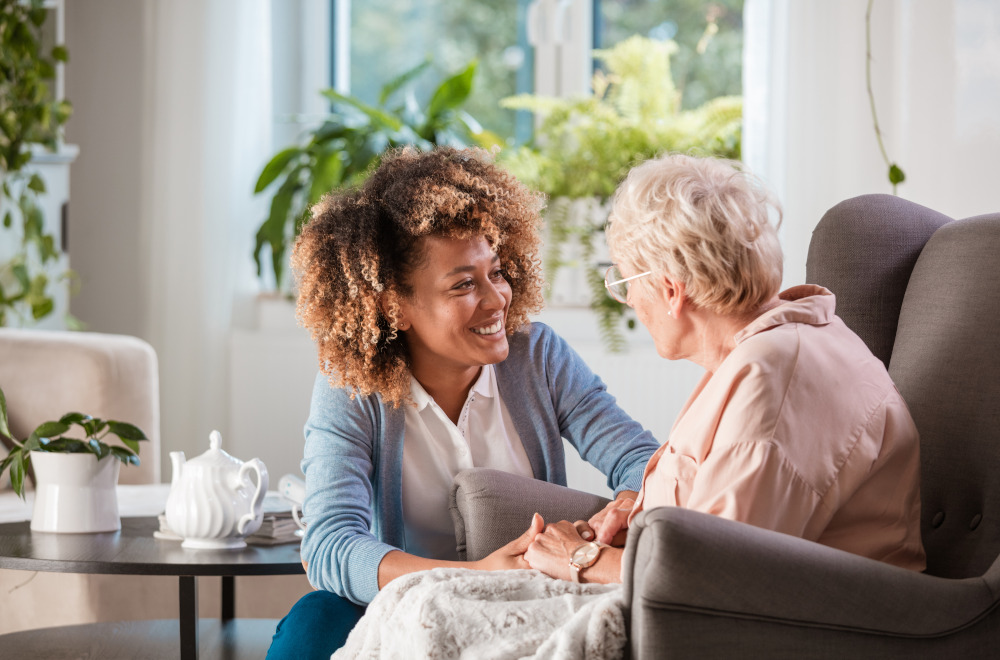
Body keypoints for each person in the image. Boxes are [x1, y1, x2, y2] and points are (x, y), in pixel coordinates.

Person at [266, 146, 660, 659]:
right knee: (314, 623)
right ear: (394, 306)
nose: (497, 299)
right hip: (400, 606)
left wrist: (626, 506)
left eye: (496, 272)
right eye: (464, 285)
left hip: (524, 600)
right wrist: (473, 575)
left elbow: (642, 461)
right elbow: (330, 545)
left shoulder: (537, 356)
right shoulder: (351, 386)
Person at [523, 153, 927, 585]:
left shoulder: (773, 378)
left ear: (670, 289)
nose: (631, 302)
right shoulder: (772, 347)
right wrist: (641, 516)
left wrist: (581, 558)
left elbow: (716, 577)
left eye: (624, 283)